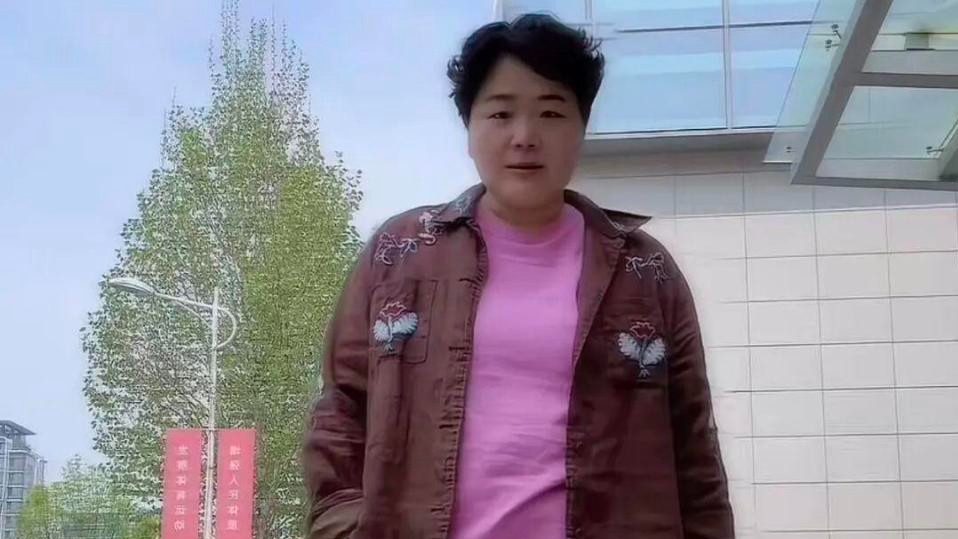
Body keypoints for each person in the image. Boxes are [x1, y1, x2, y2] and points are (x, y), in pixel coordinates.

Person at [303, 13, 733, 539]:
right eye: (501, 113)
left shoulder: (645, 270)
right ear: (469, 128)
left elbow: (693, 447)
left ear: (581, 127)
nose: (525, 136)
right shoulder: (399, 253)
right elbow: (342, 410)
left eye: (551, 113)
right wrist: (346, 526)